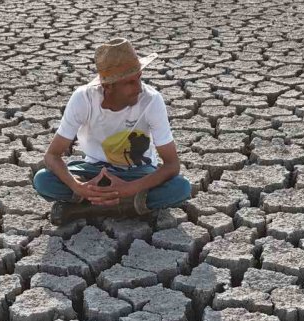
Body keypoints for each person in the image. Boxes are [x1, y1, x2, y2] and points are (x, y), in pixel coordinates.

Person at [32, 37, 192, 225]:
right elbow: (52, 156)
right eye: (130, 82)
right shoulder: (84, 99)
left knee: (180, 187)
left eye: (139, 78)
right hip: (93, 173)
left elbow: (172, 165)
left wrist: (128, 189)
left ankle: (84, 209)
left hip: (137, 174)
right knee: (43, 180)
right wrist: (79, 186)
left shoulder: (151, 100)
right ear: (108, 86)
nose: (138, 88)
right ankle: (132, 206)